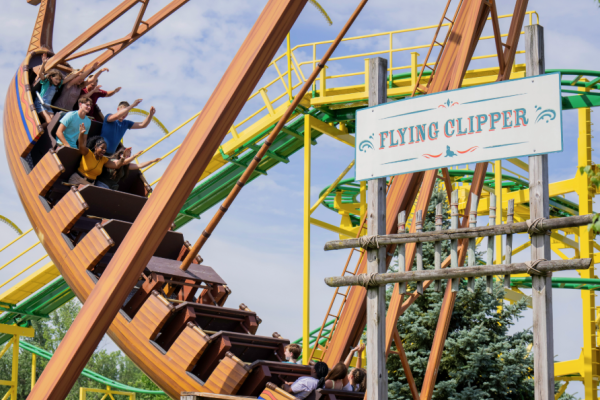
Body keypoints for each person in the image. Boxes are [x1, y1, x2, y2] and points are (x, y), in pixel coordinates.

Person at [68, 127, 134, 187]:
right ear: (96, 147)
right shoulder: (88, 153)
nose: (104, 150)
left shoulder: (103, 160)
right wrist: (81, 134)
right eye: (102, 148)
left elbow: (117, 165)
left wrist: (123, 157)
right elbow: (81, 146)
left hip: (89, 185)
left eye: (105, 149)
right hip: (78, 180)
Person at [95, 147, 160, 190]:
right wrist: (135, 155)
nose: (129, 158)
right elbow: (123, 162)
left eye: (129, 156)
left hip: (112, 187)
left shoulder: (126, 166)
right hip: (102, 184)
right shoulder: (114, 161)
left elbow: (139, 165)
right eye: (127, 156)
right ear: (121, 155)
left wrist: (152, 161)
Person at [33, 54, 63, 126]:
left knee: (53, 123)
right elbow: (40, 74)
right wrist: (43, 63)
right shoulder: (46, 81)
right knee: (49, 121)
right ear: (51, 77)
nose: (58, 81)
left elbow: (69, 79)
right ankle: (39, 129)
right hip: (41, 103)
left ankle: (44, 131)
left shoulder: (57, 85)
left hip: (48, 105)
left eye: (59, 79)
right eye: (56, 79)